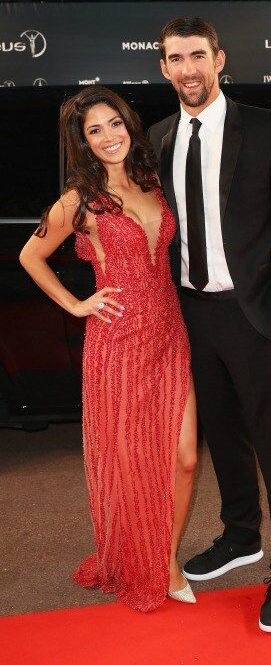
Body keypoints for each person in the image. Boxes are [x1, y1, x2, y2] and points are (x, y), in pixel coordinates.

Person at [148, 17, 271, 632]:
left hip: (253, 315)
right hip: (193, 314)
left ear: (220, 59)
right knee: (223, 435)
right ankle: (241, 533)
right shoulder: (159, 136)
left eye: (198, 55)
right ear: (163, 68)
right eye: (175, 58)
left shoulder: (268, 130)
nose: (188, 68)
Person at [19, 86, 197, 611]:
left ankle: (164, 559)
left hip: (169, 330)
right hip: (117, 341)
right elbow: (31, 256)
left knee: (184, 458)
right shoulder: (79, 201)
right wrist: (76, 304)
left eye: (114, 124)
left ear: (129, 126)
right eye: (94, 130)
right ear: (83, 142)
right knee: (131, 458)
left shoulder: (154, 183)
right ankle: (142, 559)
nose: (108, 136)